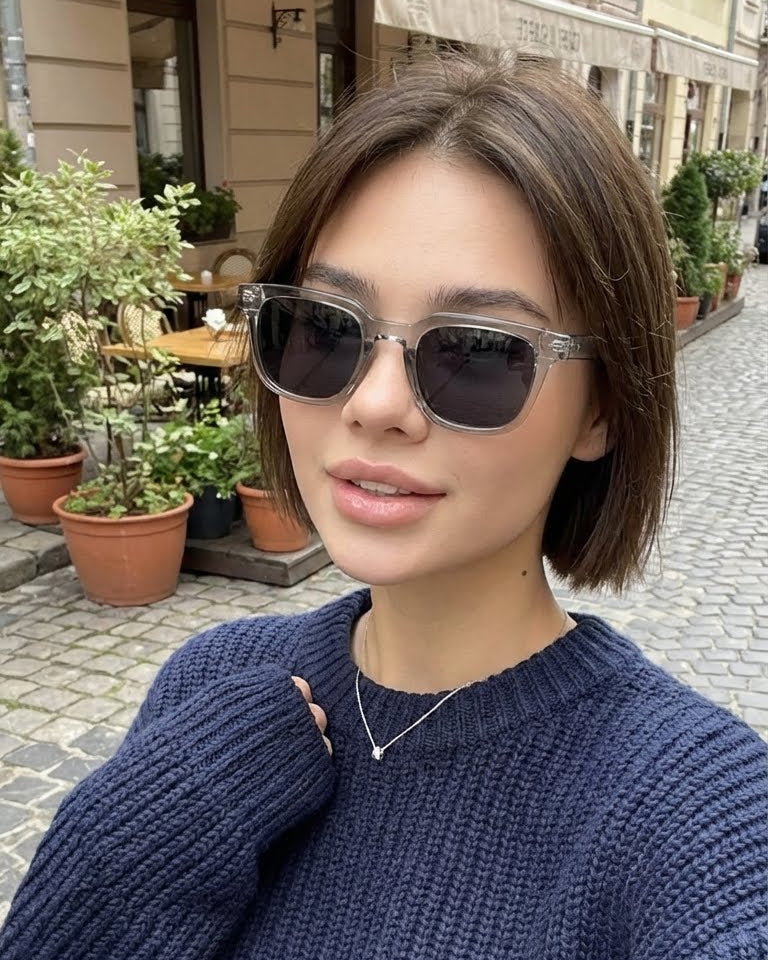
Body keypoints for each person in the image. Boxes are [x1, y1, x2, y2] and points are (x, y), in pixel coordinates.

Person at [1, 47, 766, 960]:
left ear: (602, 406)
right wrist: (130, 842)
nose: (372, 404)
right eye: (324, 330)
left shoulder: (697, 819)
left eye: (478, 351)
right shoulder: (212, 687)